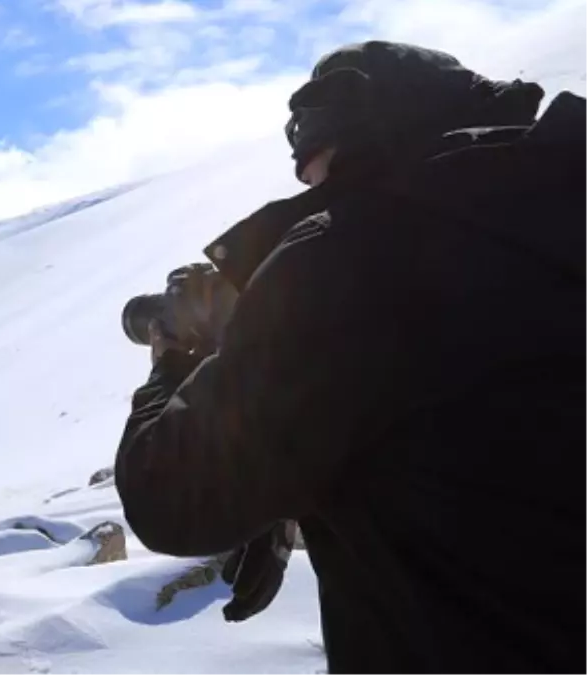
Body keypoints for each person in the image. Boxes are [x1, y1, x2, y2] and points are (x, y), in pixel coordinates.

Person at [114, 40, 586, 675]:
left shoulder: (358, 254)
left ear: (365, 133)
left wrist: (169, 366)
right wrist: (297, 487)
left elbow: (169, 497)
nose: (313, 188)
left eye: (315, 166)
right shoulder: (549, 211)